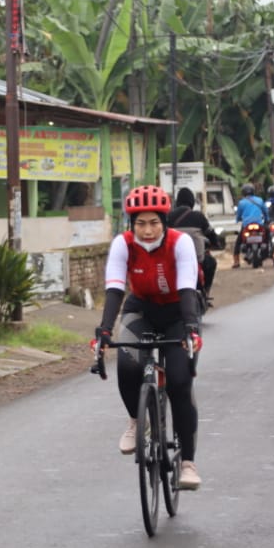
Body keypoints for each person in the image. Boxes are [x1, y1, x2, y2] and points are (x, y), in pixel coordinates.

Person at [93, 185, 204, 490]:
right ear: (131, 224)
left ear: (164, 221)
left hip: (178, 313)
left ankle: (188, 464)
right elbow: (115, 289)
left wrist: (191, 329)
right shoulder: (123, 244)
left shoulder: (181, 243)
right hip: (141, 308)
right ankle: (135, 421)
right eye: (140, 223)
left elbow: (186, 290)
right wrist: (104, 331)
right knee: (127, 364)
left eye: (154, 222)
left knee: (180, 382)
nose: (147, 230)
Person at [167, 187, 222, 300]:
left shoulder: (169, 217)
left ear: (177, 202)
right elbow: (210, 233)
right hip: (197, 259)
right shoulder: (198, 216)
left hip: (172, 259)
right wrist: (216, 243)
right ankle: (206, 292)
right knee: (211, 263)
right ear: (192, 202)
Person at [232, 182, 268, 269]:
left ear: (243, 192)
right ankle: (272, 254)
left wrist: (237, 220)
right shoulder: (260, 200)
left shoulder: (241, 203)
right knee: (267, 238)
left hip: (246, 225)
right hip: (259, 224)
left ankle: (236, 262)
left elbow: (238, 215)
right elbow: (265, 212)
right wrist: (267, 219)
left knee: (238, 242)